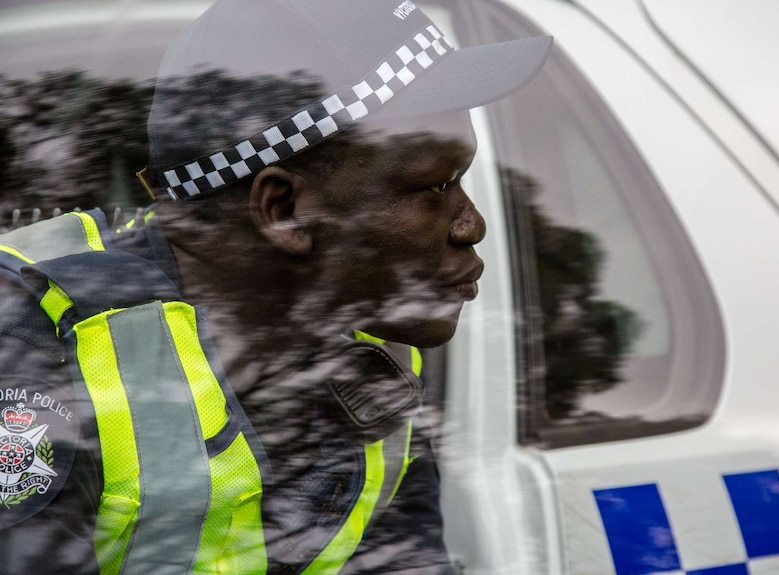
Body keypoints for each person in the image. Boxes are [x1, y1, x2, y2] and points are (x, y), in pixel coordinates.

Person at [0, 0, 551, 573]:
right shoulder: (34, 350)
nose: (472, 224)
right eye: (437, 186)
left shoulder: (369, 345)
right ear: (283, 210)